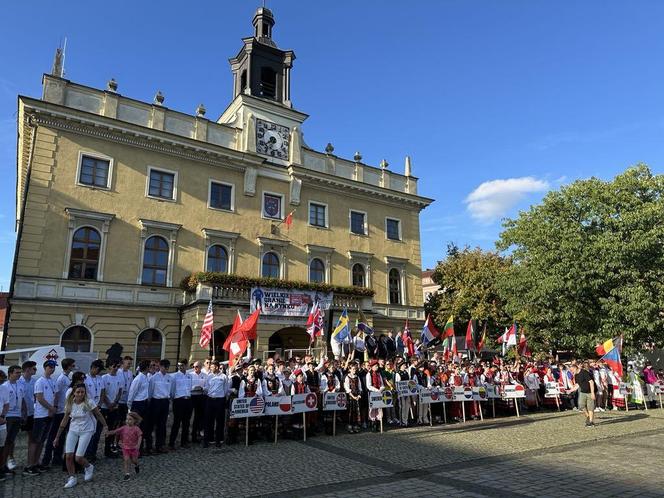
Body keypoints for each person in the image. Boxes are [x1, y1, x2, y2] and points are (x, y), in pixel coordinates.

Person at [54, 383, 108, 489]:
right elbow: (65, 420)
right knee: (68, 456)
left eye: (82, 392)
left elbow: (98, 414)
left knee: (78, 458)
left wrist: (105, 426)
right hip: (73, 430)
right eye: (78, 392)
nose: (80, 394)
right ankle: (72, 478)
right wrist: (57, 437)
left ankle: (88, 467)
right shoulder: (70, 403)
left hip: (86, 430)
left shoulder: (89, 402)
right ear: (74, 392)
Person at [42, 357, 76, 468]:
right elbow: (57, 394)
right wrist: (55, 407)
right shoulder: (61, 379)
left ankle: (57, 457)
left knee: (61, 437)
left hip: (64, 410)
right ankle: (47, 459)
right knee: (54, 436)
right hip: (60, 410)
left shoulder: (67, 377)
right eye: (72, 365)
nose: (73, 367)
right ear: (68, 366)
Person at [25, 360, 57, 476]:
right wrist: (50, 408)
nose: (52, 369)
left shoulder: (52, 381)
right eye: (50, 367)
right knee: (35, 441)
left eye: (53, 367)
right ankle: (29, 465)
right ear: (45, 367)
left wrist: (54, 408)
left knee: (42, 441)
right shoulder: (40, 381)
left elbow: (55, 395)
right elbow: (39, 398)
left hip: (49, 414)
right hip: (40, 415)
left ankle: (36, 462)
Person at [1, 365, 24, 476]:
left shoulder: (20, 385)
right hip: (8, 416)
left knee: (11, 441)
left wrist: (24, 413)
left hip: (17, 415)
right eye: (17, 372)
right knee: (5, 442)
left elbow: (22, 400)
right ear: (10, 373)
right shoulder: (5, 386)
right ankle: (2, 465)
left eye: (20, 372)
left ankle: (6, 463)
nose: (19, 374)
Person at [107, 412, 142, 482]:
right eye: (127, 419)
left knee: (134, 460)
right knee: (126, 460)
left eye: (130, 419)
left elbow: (140, 436)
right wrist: (109, 432)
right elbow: (116, 431)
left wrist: (138, 445)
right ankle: (127, 474)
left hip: (134, 448)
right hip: (125, 448)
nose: (128, 421)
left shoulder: (136, 429)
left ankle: (136, 465)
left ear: (135, 420)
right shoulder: (124, 428)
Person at [147, 359, 172, 454]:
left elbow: (171, 390)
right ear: (160, 367)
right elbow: (150, 391)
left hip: (165, 401)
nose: (165, 369)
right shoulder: (154, 378)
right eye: (164, 367)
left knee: (162, 425)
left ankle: (160, 445)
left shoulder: (170, 378)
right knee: (152, 424)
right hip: (155, 401)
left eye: (167, 367)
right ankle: (149, 446)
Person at [84, 359, 106, 462]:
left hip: (98, 408)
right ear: (93, 368)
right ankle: (87, 454)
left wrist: (100, 404)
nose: (99, 372)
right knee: (89, 433)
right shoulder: (85, 379)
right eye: (98, 369)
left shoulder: (100, 378)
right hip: (89, 409)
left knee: (97, 433)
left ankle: (93, 453)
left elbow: (102, 392)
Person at [203, 360, 229, 448]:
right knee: (208, 421)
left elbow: (226, 389)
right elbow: (206, 388)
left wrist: (221, 397)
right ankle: (207, 440)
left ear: (217, 367)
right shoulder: (209, 376)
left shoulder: (224, 376)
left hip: (220, 400)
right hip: (210, 400)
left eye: (212, 367)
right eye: (210, 367)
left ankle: (218, 440)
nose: (210, 368)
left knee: (219, 421)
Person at [127, 360, 150, 453]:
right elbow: (132, 392)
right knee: (136, 427)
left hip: (144, 403)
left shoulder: (146, 377)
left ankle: (139, 448)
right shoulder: (138, 379)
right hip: (137, 404)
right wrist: (130, 407)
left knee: (143, 427)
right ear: (146, 368)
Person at [101, 361, 123, 458]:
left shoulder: (119, 377)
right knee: (104, 428)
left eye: (117, 366)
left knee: (112, 428)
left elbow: (120, 391)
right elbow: (103, 393)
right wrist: (109, 404)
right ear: (109, 366)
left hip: (115, 406)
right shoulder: (104, 378)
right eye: (114, 366)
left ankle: (109, 449)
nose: (116, 368)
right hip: (105, 407)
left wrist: (115, 402)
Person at [169, 359, 193, 449]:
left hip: (188, 400)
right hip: (179, 400)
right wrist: (174, 399)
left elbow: (190, 387)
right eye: (179, 365)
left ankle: (184, 442)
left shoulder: (189, 376)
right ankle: (172, 443)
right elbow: (172, 390)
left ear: (186, 366)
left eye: (182, 365)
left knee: (186, 423)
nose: (180, 367)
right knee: (176, 422)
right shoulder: (174, 376)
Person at [189, 360, 208, 444]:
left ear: (200, 367)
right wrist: (193, 388)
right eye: (193, 366)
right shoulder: (190, 375)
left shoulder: (205, 375)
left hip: (201, 396)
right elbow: (187, 386)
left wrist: (202, 388)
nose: (194, 368)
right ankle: (190, 436)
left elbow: (207, 386)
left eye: (196, 366)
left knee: (199, 417)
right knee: (190, 417)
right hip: (192, 396)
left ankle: (197, 435)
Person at [574, 362, 596, 427]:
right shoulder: (576, 375)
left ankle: (591, 422)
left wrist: (592, 393)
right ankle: (588, 416)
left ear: (575, 368)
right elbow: (577, 385)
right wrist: (570, 390)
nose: (571, 372)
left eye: (572, 370)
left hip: (589, 392)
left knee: (590, 407)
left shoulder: (584, 372)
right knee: (581, 405)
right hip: (582, 392)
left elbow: (591, 382)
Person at [343, 362, 362, 433]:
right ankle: (349, 425)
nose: (355, 370)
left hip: (357, 396)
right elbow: (347, 388)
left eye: (355, 369)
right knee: (350, 411)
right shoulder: (347, 377)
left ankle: (355, 425)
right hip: (350, 397)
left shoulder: (357, 377)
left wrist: (359, 395)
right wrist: (353, 396)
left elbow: (360, 387)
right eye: (353, 369)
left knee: (356, 411)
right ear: (349, 369)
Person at [117, 356, 134, 425]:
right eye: (128, 363)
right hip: (118, 400)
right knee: (117, 420)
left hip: (126, 400)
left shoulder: (130, 373)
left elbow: (131, 385)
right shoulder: (118, 372)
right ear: (123, 363)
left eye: (130, 364)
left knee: (124, 420)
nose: (129, 365)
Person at [0, 371, 9, 482]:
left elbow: (6, 404)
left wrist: (2, 416)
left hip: (1, 422)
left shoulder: (4, 389)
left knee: (1, 448)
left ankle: (1, 468)